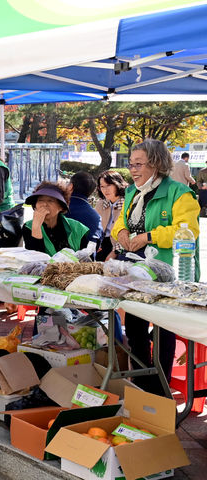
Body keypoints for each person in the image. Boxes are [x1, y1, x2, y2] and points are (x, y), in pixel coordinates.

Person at [112, 139, 200, 395]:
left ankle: (161, 387)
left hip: (169, 270)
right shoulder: (131, 192)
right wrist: (123, 233)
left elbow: (189, 231)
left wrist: (149, 236)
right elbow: (119, 223)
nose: (133, 170)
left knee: (163, 328)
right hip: (135, 269)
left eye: (139, 164)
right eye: (131, 164)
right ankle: (143, 382)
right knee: (136, 328)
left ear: (157, 164)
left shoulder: (179, 193)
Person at [23, 182, 90, 255]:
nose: (44, 204)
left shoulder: (77, 228)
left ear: (61, 207)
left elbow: (86, 258)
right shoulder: (28, 227)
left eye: (50, 201)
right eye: (40, 200)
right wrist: (36, 227)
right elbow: (34, 259)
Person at [95, 170, 129, 261]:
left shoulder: (128, 205)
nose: (105, 190)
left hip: (122, 247)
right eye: (102, 186)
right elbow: (94, 228)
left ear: (117, 184)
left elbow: (130, 234)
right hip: (102, 245)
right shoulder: (101, 204)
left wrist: (115, 252)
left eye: (109, 185)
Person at [65, 171, 103, 249]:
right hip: (84, 259)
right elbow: (95, 244)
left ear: (70, 186)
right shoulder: (95, 217)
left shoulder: (58, 209)